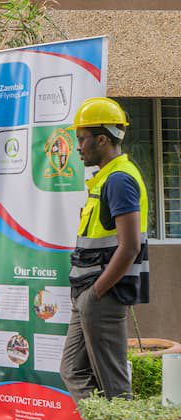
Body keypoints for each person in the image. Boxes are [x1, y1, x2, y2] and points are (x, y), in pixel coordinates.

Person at [61, 97, 149, 401]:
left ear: (102, 139)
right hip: (88, 295)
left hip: (103, 296)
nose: (78, 147)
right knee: (73, 370)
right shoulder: (104, 180)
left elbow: (130, 247)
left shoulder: (119, 180)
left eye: (82, 139)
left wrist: (96, 293)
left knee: (114, 388)